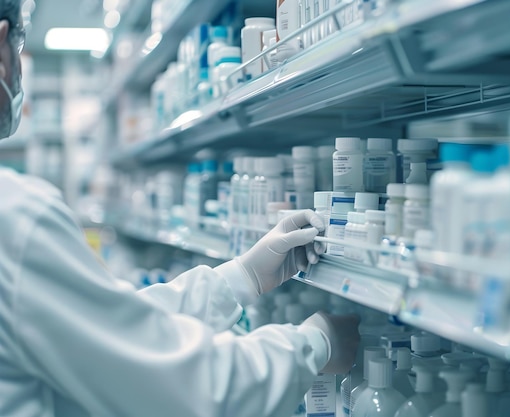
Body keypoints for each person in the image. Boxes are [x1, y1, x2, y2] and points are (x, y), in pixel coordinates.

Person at [0, 1, 360, 416]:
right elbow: (188, 386)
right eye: (20, 44)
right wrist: (314, 344)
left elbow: (115, 332)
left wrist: (243, 276)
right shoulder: (17, 218)